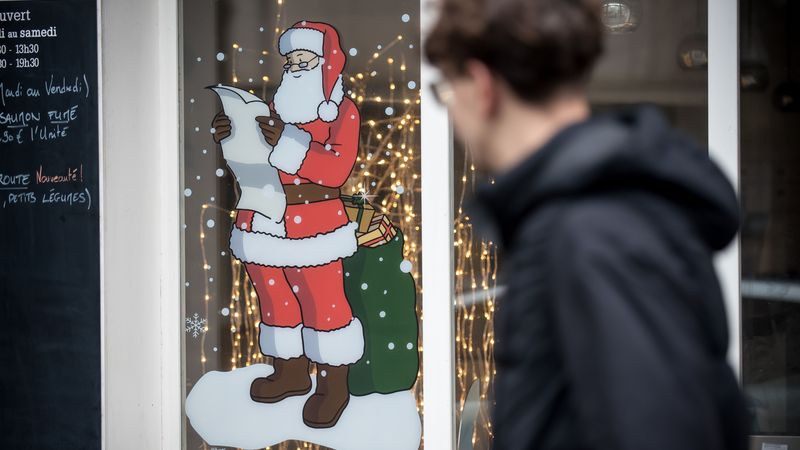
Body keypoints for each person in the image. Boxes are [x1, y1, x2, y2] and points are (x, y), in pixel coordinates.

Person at [424, 0, 749, 449]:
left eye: (446, 92)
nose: (452, 115)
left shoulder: (590, 231)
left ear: (482, 86)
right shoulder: (593, 213)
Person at [212, 20, 363, 429]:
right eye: (291, 60)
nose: (295, 67)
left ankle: (333, 384)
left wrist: (288, 142)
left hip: (315, 224)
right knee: (274, 296)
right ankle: (290, 371)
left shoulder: (341, 112)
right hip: (264, 218)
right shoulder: (276, 109)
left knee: (323, 301)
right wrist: (233, 136)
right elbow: (257, 162)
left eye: (304, 59)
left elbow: (335, 170)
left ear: (326, 63)